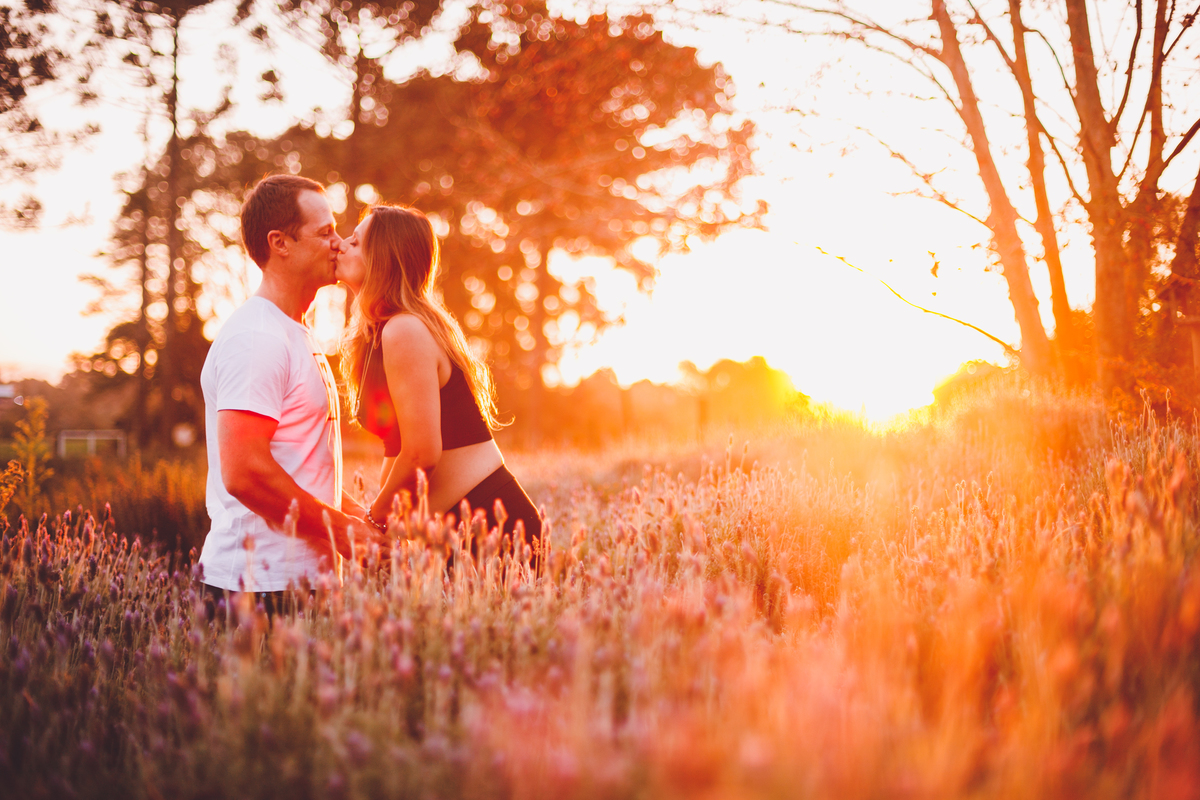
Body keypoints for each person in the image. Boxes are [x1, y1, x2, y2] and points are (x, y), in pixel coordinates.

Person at [198, 174, 381, 614]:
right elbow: (244, 473)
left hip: (301, 583)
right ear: (280, 243)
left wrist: (359, 518)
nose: (338, 243)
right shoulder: (257, 337)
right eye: (325, 233)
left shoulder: (297, 332)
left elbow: (300, 468)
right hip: (256, 588)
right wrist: (342, 532)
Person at [335, 204, 542, 559]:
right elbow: (397, 447)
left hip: (492, 526)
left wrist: (376, 520)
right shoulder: (380, 334)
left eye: (354, 242)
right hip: (455, 536)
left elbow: (421, 452)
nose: (340, 245)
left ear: (382, 258)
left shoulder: (405, 329)